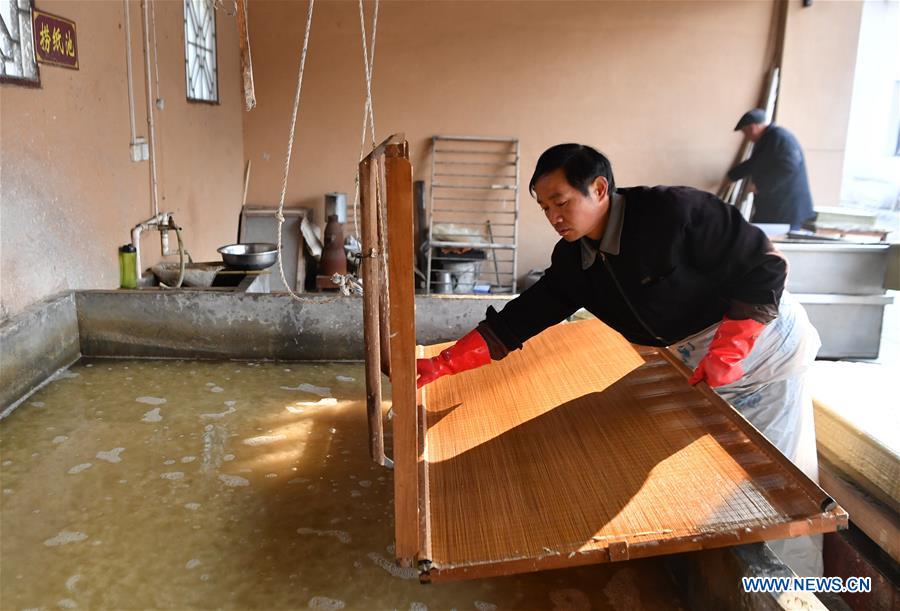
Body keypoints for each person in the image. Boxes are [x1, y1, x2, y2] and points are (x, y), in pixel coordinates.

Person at [416, 143, 823, 576]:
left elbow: (765, 267)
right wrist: (443, 364)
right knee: (714, 479)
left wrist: (731, 347)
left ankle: (805, 586)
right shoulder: (576, 261)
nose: (554, 217)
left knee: (777, 488)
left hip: (762, 355)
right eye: (544, 207)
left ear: (599, 188)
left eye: (561, 202)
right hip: (693, 363)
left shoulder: (674, 212)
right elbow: (519, 320)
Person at [727, 108, 815, 230]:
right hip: (775, 206)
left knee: (777, 243)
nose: (746, 137)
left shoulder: (780, 137)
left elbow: (788, 167)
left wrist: (760, 185)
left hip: (786, 207)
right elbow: (755, 163)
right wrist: (731, 176)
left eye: (745, 132)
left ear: (752, 128)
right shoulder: (769, 139)